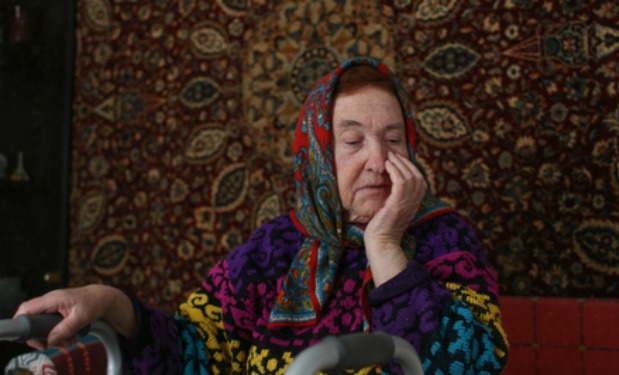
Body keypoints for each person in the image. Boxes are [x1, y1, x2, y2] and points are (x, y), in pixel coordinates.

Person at [15, 57, 509, 374]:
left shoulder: (447, 238)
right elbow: (195, 349)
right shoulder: (274, 248)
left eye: (394, 139)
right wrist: (104, 300)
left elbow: (470, 364)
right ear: (317, 155)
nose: (378, 160)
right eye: (353, 141)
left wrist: (384, 245)